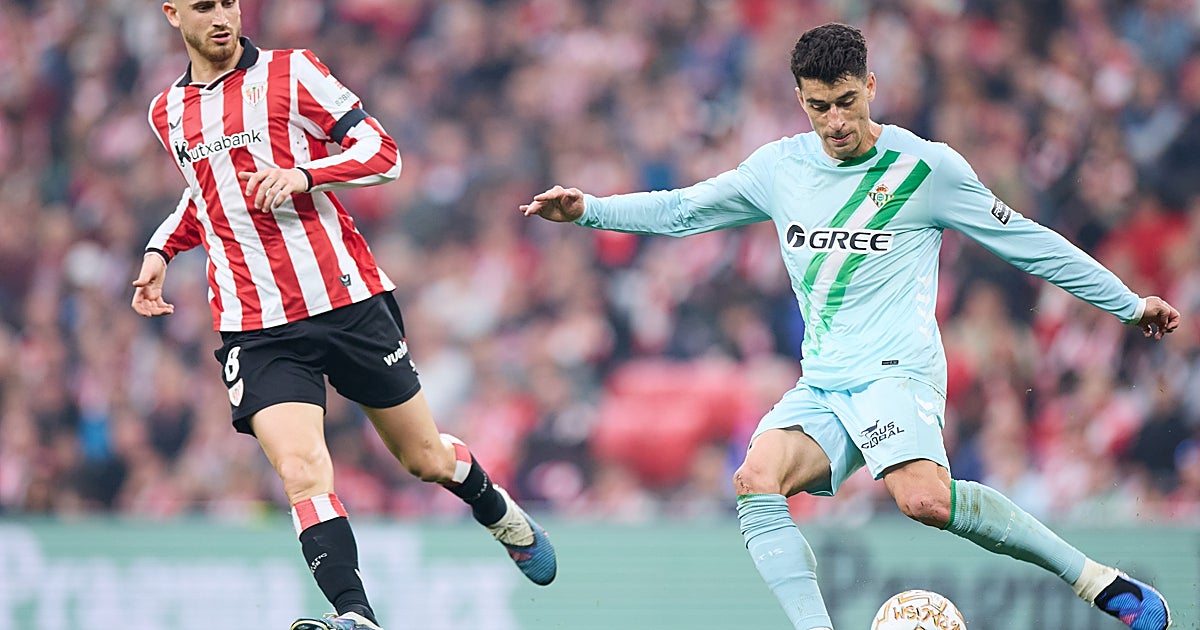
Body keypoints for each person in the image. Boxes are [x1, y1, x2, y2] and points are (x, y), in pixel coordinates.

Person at [522, 22, 1175, 630]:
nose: (834, 121)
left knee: (923, 500)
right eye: (818, 106)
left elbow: (1029, 243)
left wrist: (1127, 304)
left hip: (898, 371)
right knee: (754, 480)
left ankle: (1096, 581)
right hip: (825, 381)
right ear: (800, 100)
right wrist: (590, 211)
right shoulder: (780, 168)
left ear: (870, 86)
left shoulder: (926, 169)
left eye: (845, 102)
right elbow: (682, 210)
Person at [131, 2, 556, 629]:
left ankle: (498, 511)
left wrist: (304, 174)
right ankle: (355, 615)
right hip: (256, 325)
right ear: (172, 14)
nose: (221, 16)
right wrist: (160, 250)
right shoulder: (166, 111)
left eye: (228, 1)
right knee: (302, 470)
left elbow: (383, 153)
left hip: (345, 300)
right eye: (203, 5)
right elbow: (206, 192)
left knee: (424, 458)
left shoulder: (293, 71)